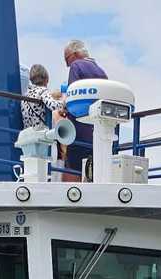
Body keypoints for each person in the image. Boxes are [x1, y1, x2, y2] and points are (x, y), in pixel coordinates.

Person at [58, 39, 107, 181]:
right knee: (92, 172)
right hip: (97, 132)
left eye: (67, 59)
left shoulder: (76, 66)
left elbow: (72, 95)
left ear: (74, 54)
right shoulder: (101, 72)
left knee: (72, 170)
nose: (67, 64)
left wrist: (63, 108)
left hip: (78, 130)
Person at [20, 63, 60, 129]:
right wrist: (65, 103)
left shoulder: (25, 95)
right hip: (41, 132)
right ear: (46, 79)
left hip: (28, 133)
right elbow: (53, 105)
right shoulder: (42, 91)